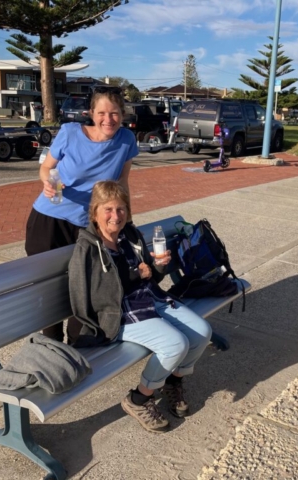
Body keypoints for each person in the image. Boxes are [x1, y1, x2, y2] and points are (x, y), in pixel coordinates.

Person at [68, 181, 212, 433]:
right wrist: (136, 275)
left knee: (202, 331)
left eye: (121, 209)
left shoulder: (129, 236)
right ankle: (139, 399)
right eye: (108, 209)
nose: (116, 216)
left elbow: (151, 277)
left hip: (151, 300)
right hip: (120, 314)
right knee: (175, 344)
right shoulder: (88, 248)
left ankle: (172, 382)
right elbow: (89, 295)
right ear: (95, 213)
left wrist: (157, 267)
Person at [25, 88, 138, 343]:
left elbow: (122, 182)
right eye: (101, 113)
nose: (108, 119)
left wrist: (126, 219)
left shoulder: (126, 140)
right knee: (49, 288)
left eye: (114, 113)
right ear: (91, 113)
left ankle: (77, 344)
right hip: (49, 219)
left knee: (84, 285)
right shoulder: (70, 132)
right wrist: (49, 183)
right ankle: (51, 346)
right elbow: (46, 168)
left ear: (122, 114)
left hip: (87, 226)